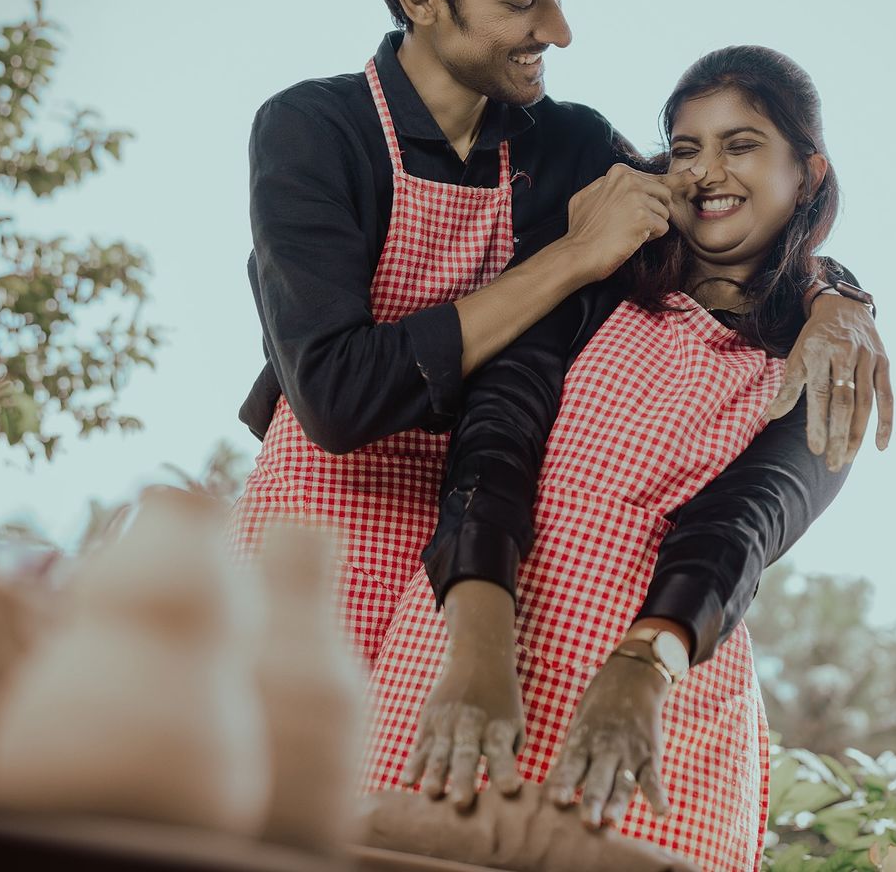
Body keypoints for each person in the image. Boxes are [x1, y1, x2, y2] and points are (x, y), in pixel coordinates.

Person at [229, 0, 890, 677]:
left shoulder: (572, 145)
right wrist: (572, 259)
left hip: (474, 560)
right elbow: (338, 396)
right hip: (310, 546)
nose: (559, 29)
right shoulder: (313, 130)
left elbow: (725, 211)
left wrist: (839, 297)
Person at [369, 46, 863, 872]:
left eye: (740, 145)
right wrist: (479, 652)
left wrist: (641, 670)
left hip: (663, 699)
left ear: (807, 173)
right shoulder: (596, 281)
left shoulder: (825, 362)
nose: (707, 171)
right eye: (685, 147)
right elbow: (495, 445)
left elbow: (742, 522)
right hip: (473, 639)